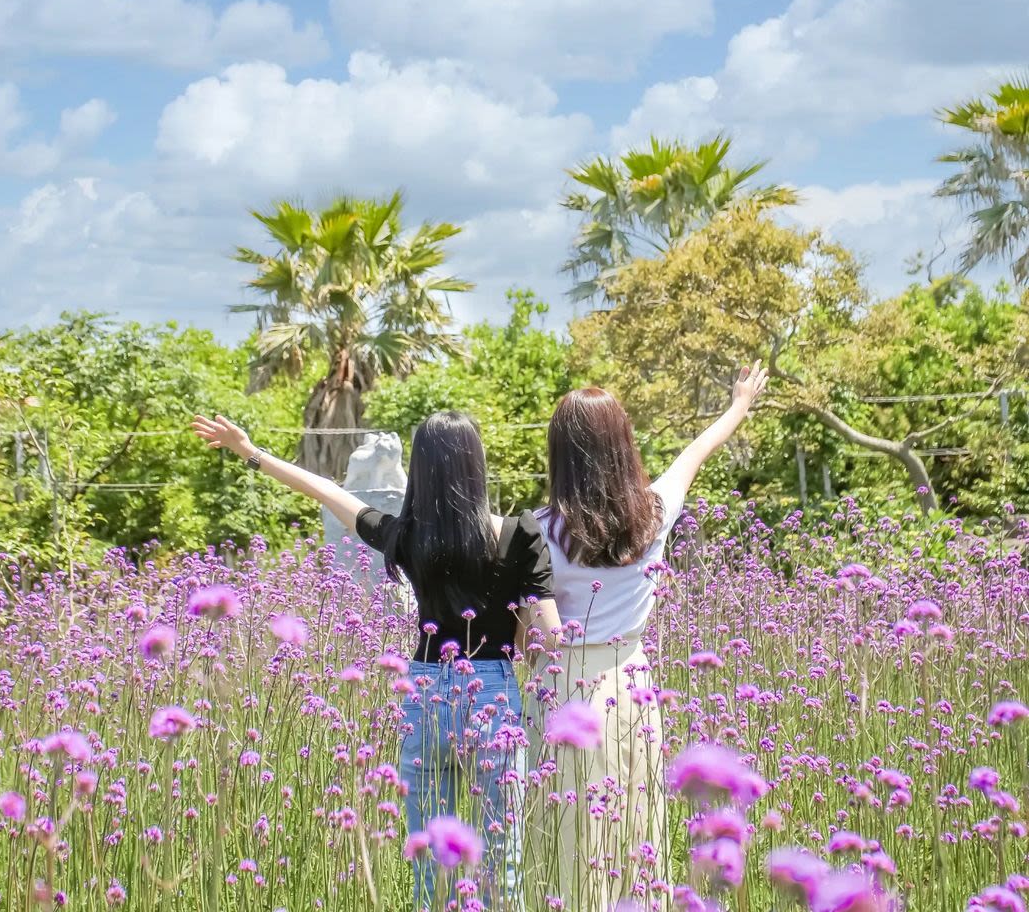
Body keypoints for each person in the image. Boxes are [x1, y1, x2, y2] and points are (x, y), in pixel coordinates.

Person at [191, 410, 560, 909]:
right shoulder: (520, 533)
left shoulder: (405, 536)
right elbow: (551, 637)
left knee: (431, 863)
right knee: (504, 859)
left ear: (421, 469)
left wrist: (250, 452)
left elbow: (326, 491)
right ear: (477, 464)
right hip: (493, 691)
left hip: (423, 693)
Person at [526, 363, 768, 908]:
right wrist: (739, 402)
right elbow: (697, 450)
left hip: (566, 689)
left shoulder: (540, 529)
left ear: (560, 455)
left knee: (570, 832)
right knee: (637, 826)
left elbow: (531, 637)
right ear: (623, 444)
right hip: (633, 683)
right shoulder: (656, 510)